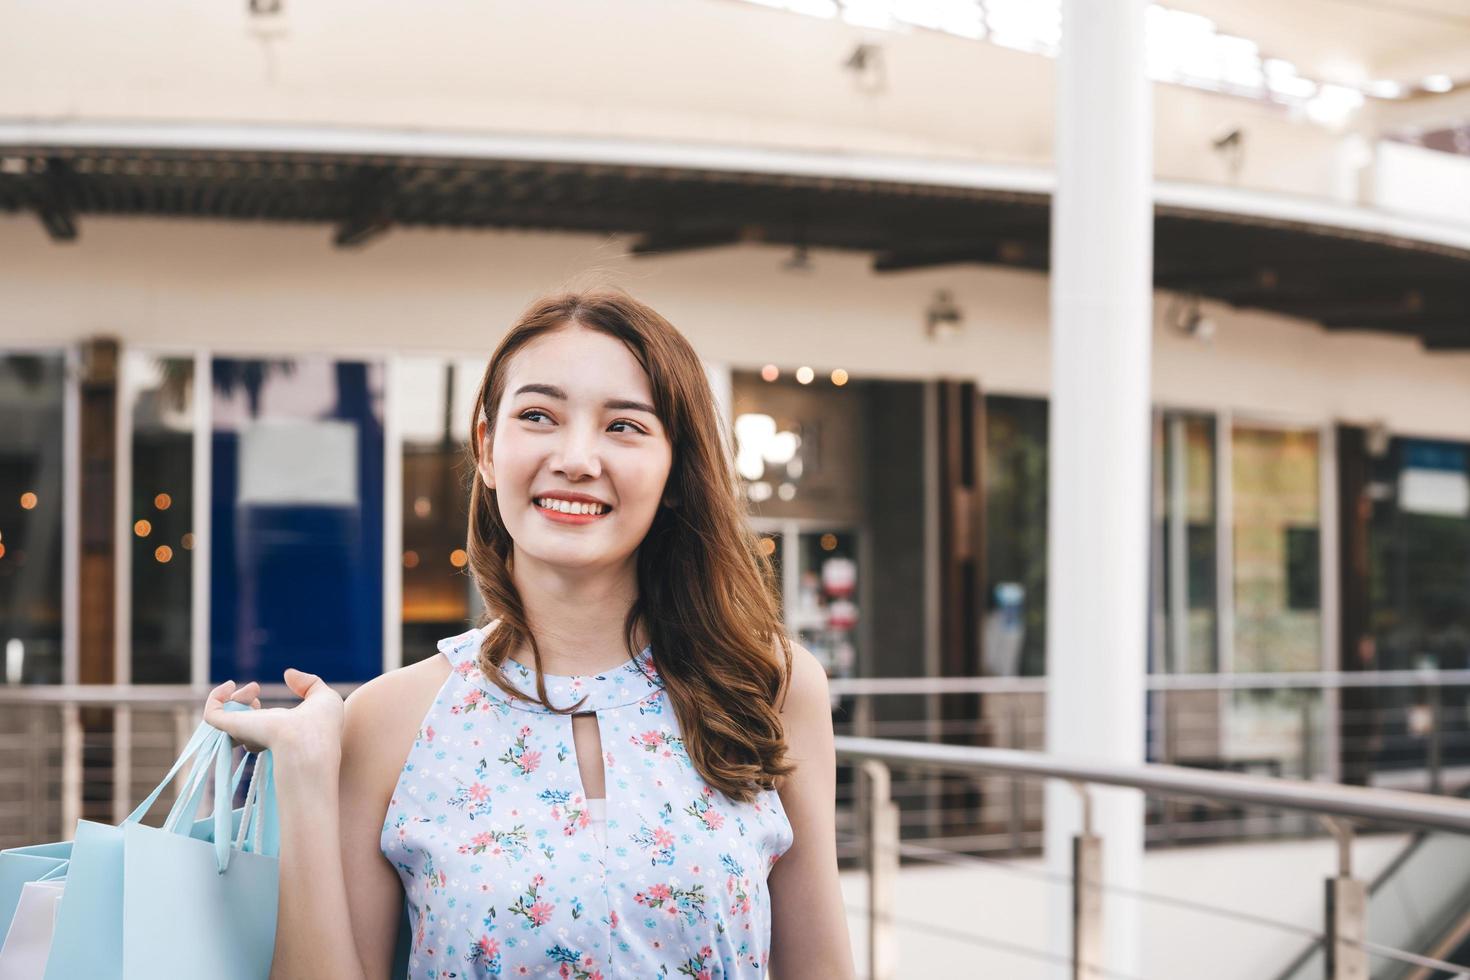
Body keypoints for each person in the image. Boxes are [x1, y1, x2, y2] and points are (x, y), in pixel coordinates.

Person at [204, 288, 854, 979]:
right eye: (539, 416)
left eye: (624, 426)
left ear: (673, 470)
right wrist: (306, 774)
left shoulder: (771, 687)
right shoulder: (391, 720)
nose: (576, 458)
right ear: (487, 449)